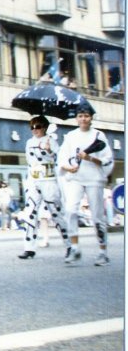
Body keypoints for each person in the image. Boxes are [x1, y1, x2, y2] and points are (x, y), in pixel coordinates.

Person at [58, 104, 114, 266]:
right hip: (76, 178)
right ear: (76, 118)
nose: (83, 119)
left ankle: (103, 252)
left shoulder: (99, 135)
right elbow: (62, 159)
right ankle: (75, 248)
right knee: (70, 210)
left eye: (86, 116)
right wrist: (69, 167)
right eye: (80, 116)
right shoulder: (70, 136)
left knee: (97, 216)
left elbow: (107, 159)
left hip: (94, 178)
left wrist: (90, 158)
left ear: (91, 118)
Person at [17, 115, 72, 260]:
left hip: (48, 180)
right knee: (30, 213)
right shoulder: (29, 142)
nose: (35, 130)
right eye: (32, 127)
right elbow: (29, 161)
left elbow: (60, 159)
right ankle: (29, 248)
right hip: (33, 180)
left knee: (56, 213)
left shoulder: (51, 141)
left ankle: (69, 245)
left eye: (38, 126)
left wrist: (49, 151)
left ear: (45, 127)